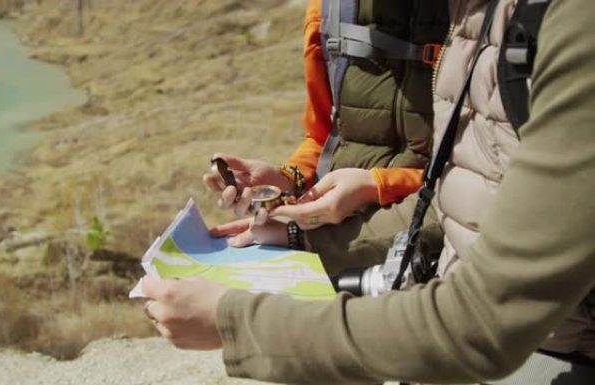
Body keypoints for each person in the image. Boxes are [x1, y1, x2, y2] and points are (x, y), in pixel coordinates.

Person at [142, 0, 595, 383]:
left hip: (547, 342)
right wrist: (295, 197)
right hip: (429, 282)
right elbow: (465, 190)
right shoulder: (472, 18)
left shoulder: (551, 24)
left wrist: (238, 322)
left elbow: (482, 321)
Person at [205, 0, 448, 276]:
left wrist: (378, 185)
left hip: (436, 253)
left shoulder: (479, 17)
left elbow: (486, 178)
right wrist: (287, 179)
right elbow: (325, 135)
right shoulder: (330, 9)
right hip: (333, 246)